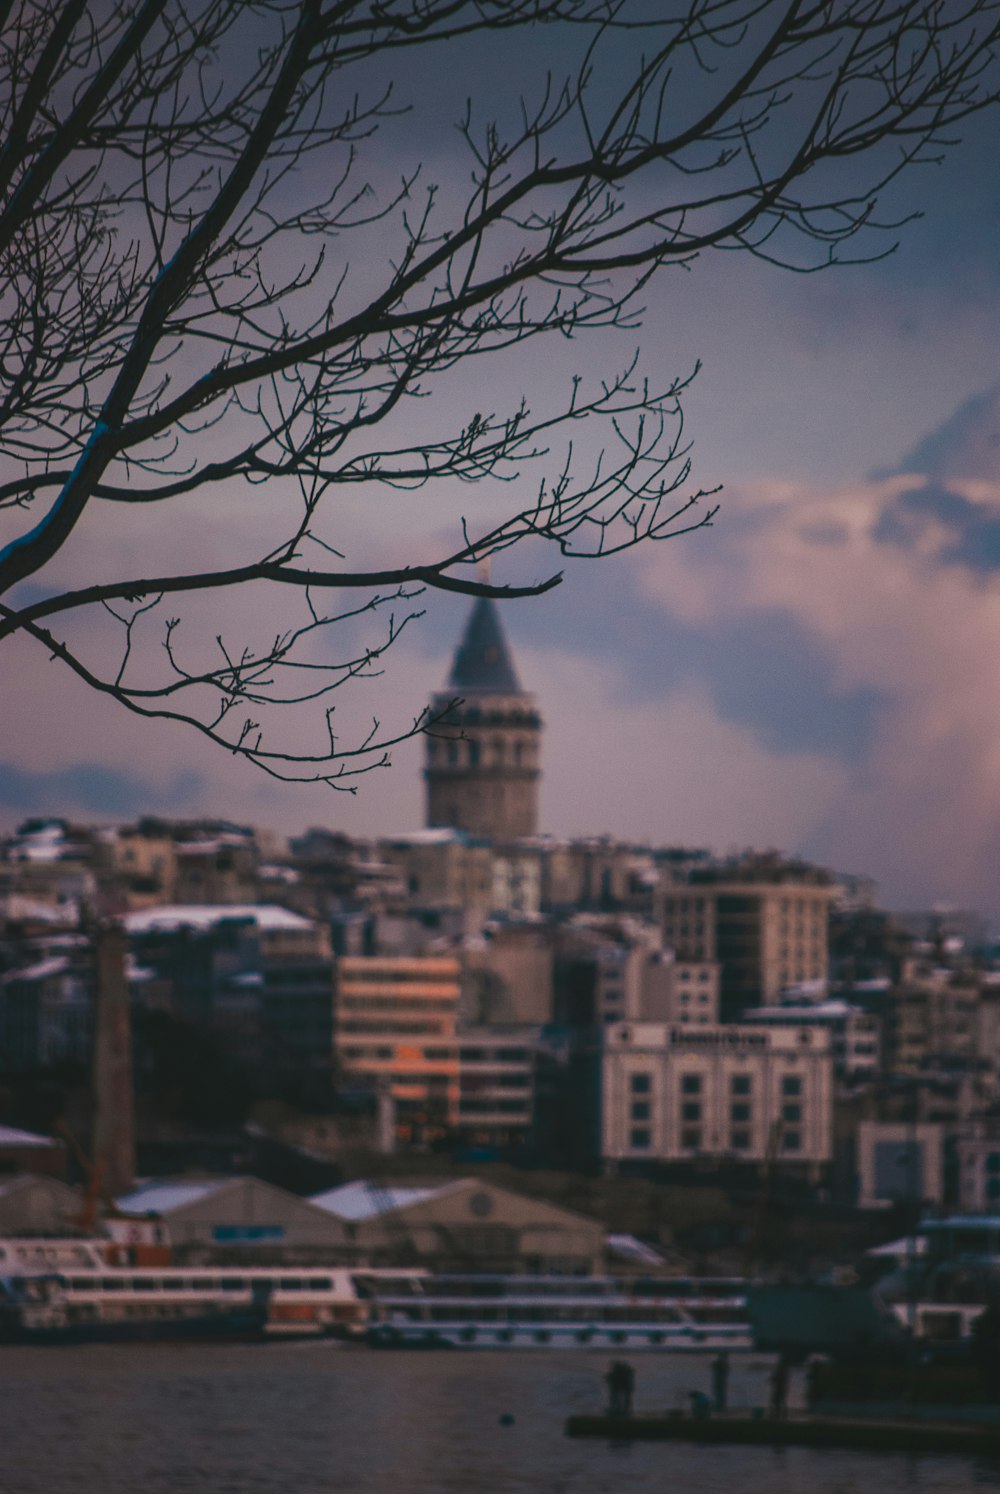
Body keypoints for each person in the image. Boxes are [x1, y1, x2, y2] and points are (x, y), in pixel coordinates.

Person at [769, 1354, 790, 1420]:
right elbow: (779, 1377)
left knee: (777, 1401)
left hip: (780, 1387)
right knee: (780, 1401)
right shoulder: (784, 1369)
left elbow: (778, 1377)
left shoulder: (782, 1369)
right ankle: (780, 1414)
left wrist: (773, 1379)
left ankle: (777, 1414)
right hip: (781, 1387)